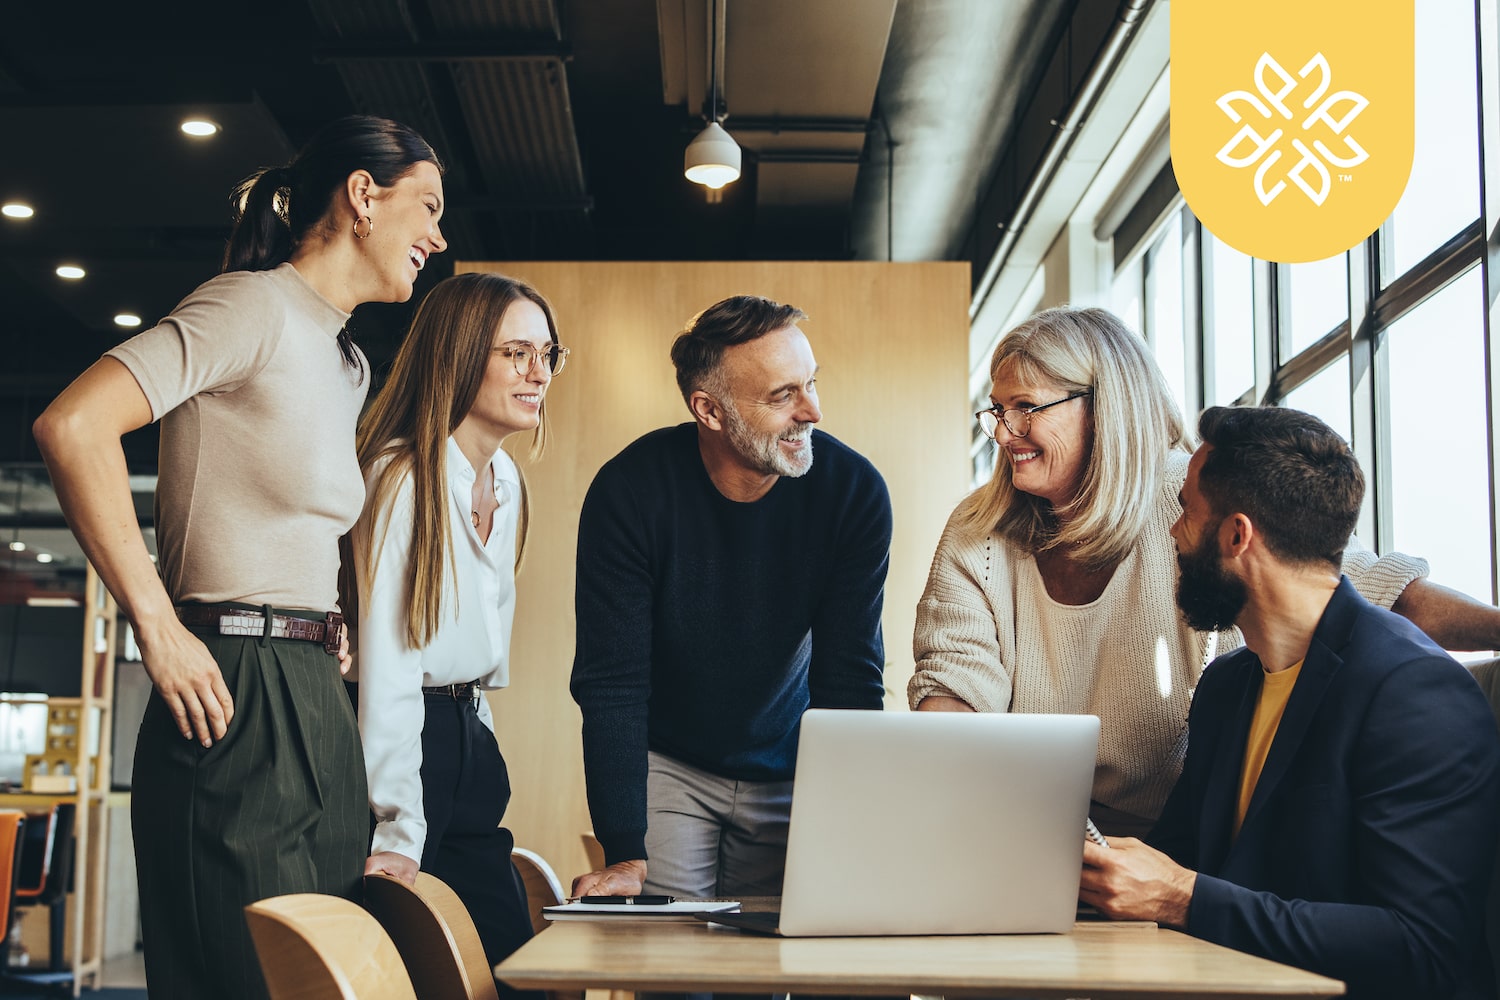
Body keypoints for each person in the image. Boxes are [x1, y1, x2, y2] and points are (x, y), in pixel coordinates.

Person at [31, 115, 448, 1000]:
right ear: (363, 197)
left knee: (318, 977)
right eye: (427, 207)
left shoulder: (347, 363)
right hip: (227, 682)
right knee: (240, 977)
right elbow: (72, 427)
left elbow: (305, 514)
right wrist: (155, 624)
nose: (438, 237)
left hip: (310, 690)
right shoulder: (249, 305)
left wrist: (326, 618)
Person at [910, 306, 1500, 838]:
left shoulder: (1192, 500)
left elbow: (1367, 592)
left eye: (1026, 408)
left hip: (1184, 841)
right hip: (1028, 831)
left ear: (1106, 407)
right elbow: (953, 689)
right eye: (999, 410)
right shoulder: (981, 529)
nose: (1006, 433)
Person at [1079, 405, 1500, 1000]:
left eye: (1186, 512)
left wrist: (1183, 897)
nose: (1173, 531)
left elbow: (1421, 948)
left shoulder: (1416, 693)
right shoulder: (1227, 688)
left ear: (1236, 535)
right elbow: (1168, 863)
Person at [569, 294, 891, 900]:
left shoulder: (854, 493)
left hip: (796, 762)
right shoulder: (629, 492)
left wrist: (850, 825)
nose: (813, 411)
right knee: (675, 975)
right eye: (782, 396)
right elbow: (612, 681)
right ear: (709, 410)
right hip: (671, 764)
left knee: (773, 967)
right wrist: (624, 850)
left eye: (811, 384)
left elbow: (850, 676)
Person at [346, 272, 565, 991]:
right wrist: (400, 830)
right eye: (516, 354)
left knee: (504, 967)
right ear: (461, 355)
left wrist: (483, 741)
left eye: (548, 354)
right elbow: (389, 668)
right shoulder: (401, 476)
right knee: (413, 969)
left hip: (467, 734)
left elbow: (481, 653)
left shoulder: (504, 479)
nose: (539, 374)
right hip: (406, 744)